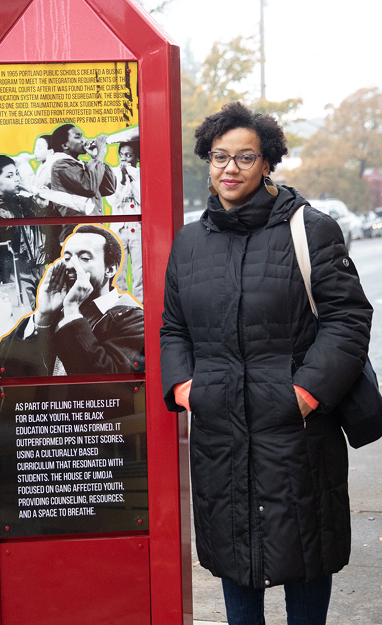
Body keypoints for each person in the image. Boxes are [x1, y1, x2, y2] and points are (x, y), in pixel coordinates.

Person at [160, 102, 373, 624]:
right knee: (235, 558)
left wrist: (304, 395)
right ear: (207, 162)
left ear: (268, 162)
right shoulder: (189, 243)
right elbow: (173, 328)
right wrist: (187, 389)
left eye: (245, 158)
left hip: (296, 430)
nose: (230, 169)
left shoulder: (311, 230)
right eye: (219, 157)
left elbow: (348, 318)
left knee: (305, 553)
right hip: (220, 430)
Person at [0, 224, 144, 378]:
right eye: (66, 258)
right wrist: (42, 315)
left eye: (84, 258)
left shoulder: (135, 320)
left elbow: (106, 382)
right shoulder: (54, 312)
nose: (71, 265)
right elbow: (7, 371)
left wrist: (72, 311)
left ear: (110, 269)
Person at [46, 124, 117, 256]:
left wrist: (96, 158)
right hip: (76, 235)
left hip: (91, 232)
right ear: (65, 146)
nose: (84, 140)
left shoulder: (82, 165)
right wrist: (100, 154)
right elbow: (89, 187)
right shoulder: (60, 165)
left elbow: (109, 187)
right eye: (78, 137)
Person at [0, 154, 44, 309]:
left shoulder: (26, 202)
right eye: (10, 176)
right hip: (16, 275)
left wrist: (39, 199)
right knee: (28, 315)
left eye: (17, 173)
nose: (17, 179)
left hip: (37, 269)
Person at [107, 140, 142, 302]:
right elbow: (113, 201)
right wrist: (121, 182)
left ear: (136, 157)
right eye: (122, 155)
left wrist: (132, 178)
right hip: (119, 228)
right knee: (118, 270)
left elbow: (143, 199)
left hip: (137, 228)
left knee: (139, 270)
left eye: (129, 155)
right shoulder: (113, 174)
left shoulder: (141, 173)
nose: (125, 159)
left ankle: (140, 304)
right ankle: (121, 304)